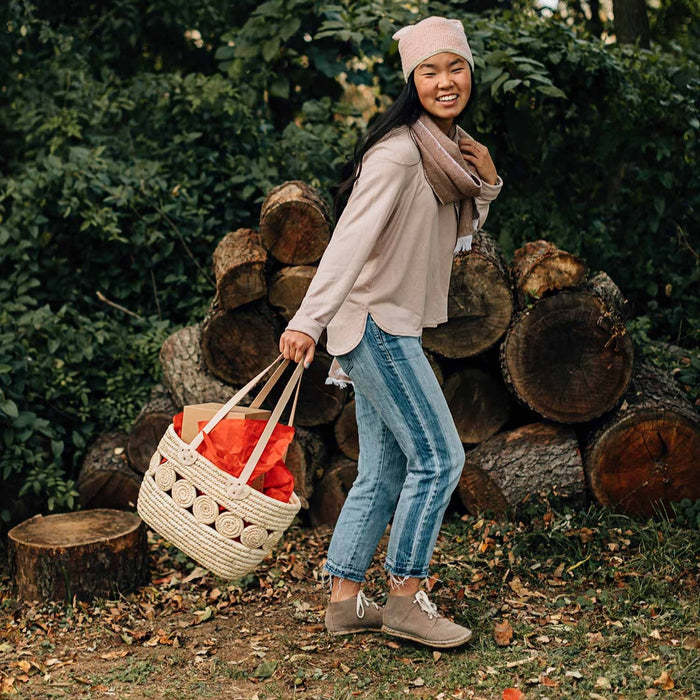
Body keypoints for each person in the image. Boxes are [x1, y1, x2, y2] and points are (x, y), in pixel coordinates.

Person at [279, 16, 502, 648]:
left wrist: (484, 183)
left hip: (385, 321)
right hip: (375, 322)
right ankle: (406, 598)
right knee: (441, 458)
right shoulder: (401, 153)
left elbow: (454, 238)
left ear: (469, 72)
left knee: (381, 466)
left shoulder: (440, 154)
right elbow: (349, 242)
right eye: (429, 72)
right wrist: (307, 320)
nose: (445, 81)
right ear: (412, 81)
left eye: (454, 67)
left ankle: (345, 601)